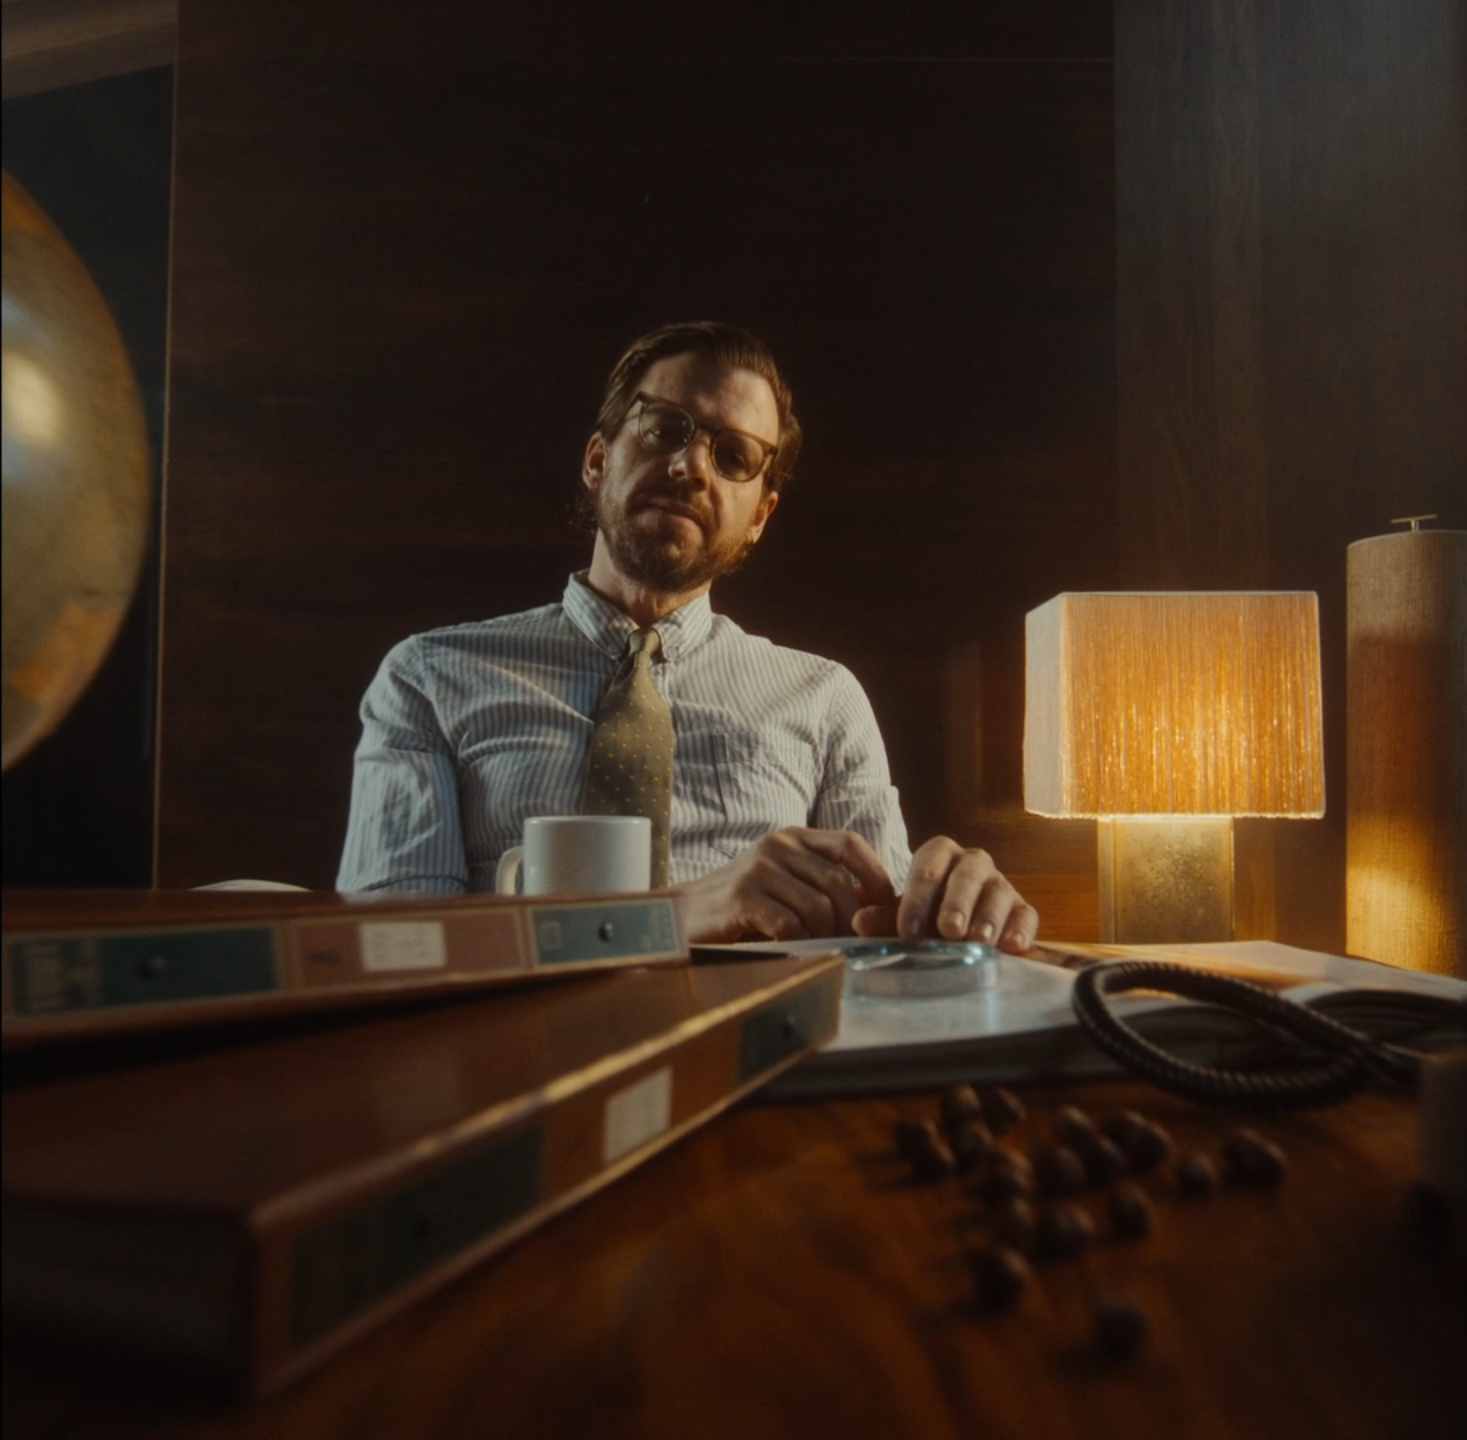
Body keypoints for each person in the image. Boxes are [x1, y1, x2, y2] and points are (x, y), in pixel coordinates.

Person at [338, 322, 1039, 951]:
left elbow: (876, 938)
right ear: (596, 460)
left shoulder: (824, 698)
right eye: (665, 428)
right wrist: (675, 914)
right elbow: (390, 950)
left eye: (733, 455)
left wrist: (946, 910)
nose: (690, 467)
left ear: (759, 515)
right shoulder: (429, 676)